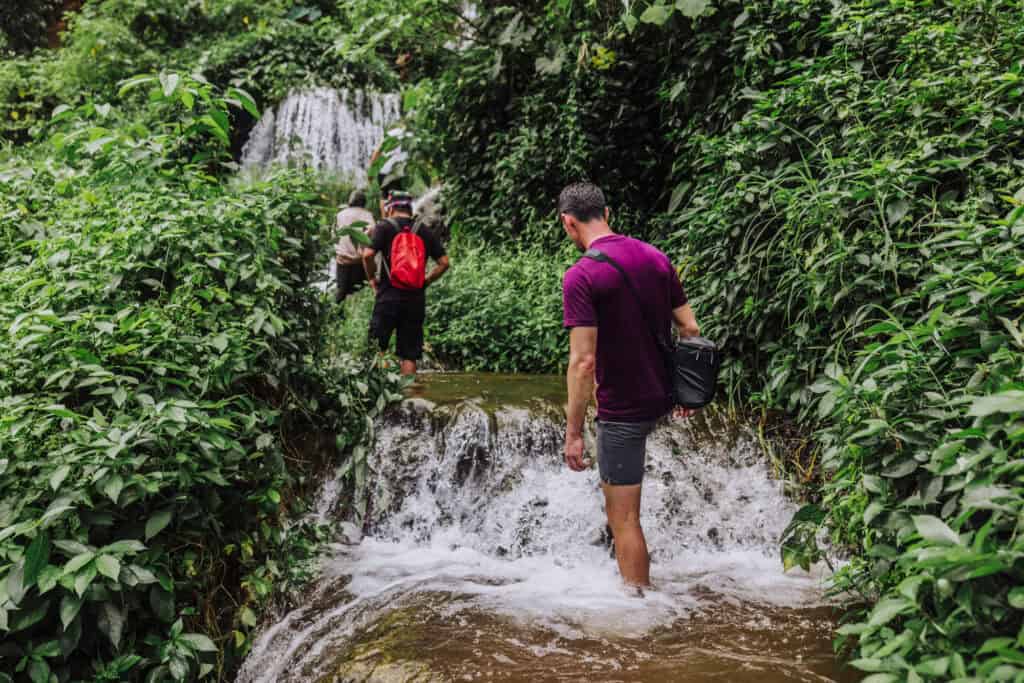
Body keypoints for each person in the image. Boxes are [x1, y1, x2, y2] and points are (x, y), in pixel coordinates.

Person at [559, 182, 700, 589]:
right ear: (608, 212)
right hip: (662, 399)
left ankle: (639, 609)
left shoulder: (582, 275)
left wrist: (573, 434)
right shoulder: (656, 258)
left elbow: (583, 362)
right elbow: (689, 328)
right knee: (627, 515)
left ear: (569, 223)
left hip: (622, 413)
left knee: (624, 520)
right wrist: (686, 390)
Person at [362, 190, 450, 376]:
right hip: (415, 299)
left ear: (391, 208)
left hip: (388, 295)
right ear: (410, 208)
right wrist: (425, 282)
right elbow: (444, 263)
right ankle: (411, 400)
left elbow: (368, 255)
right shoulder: (424, 230)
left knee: (378, 348)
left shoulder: (384, 227)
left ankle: (380, 391)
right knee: (409, 355)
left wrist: (372, 279)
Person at [334, 190, 376, 303]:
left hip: (342, 260)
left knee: (341, 292)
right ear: (363, 202)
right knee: (359, 293)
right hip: (359, 261)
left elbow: (334, 235)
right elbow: (373, 231)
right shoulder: (367, 214)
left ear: (350, 201)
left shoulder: (340, 214)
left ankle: (335, 316)